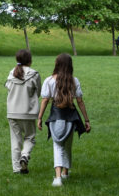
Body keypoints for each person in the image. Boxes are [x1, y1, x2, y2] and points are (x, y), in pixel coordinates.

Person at [37, 53, 91, 186]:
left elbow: (45, 100)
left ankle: (58, 178)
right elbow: (80, 101)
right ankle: (65, 173)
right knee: (67, 145)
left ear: (57, 64)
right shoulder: (74, 81)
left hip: (56, 116)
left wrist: (39, 118)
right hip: (71, 116)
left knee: (57, 145)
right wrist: (86, 120)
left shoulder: (49, 80)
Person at [5, 49, 42, 174]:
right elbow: (38, 93)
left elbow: (8, 89)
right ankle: (25, 155)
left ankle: (17, 168)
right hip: (28, 112)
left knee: (15, 140)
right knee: (30, 137)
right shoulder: (34, 74)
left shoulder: (11, 74)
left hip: (12, 112)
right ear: (30, 60)